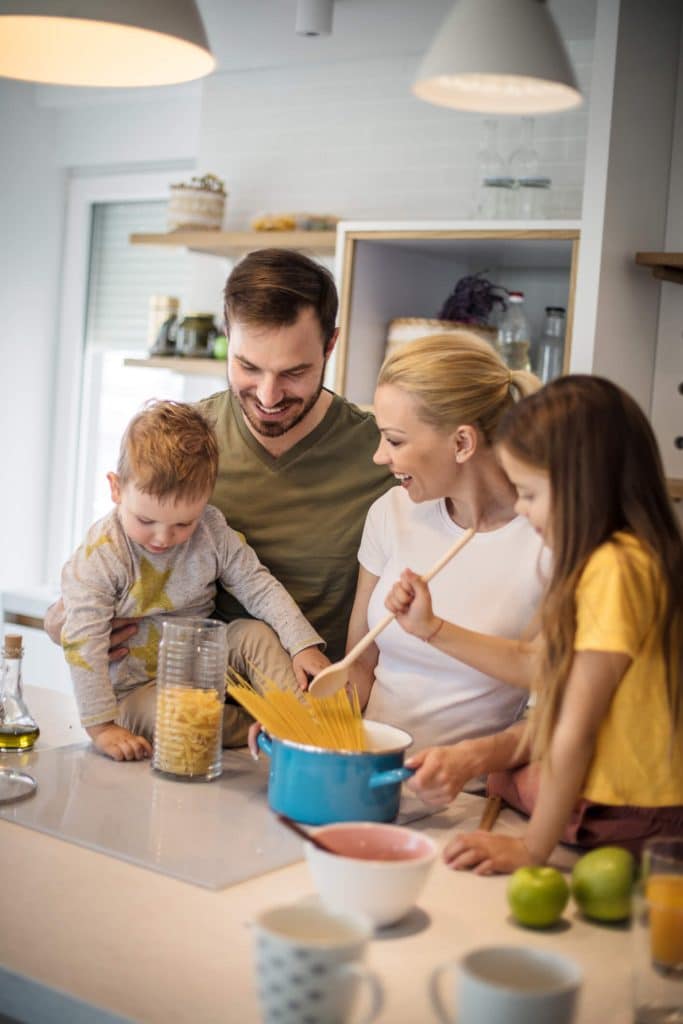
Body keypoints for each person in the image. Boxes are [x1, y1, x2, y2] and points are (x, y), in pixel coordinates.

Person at [45, 249, 394, 744]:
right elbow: (107, 564)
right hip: (177, 722)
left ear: (331, 344)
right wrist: (64, 620)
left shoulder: (383, 455)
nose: (269, 396)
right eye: (248, 366)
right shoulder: (186, 444)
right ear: (227, 337)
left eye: (293, 372)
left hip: (316, 729)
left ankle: (293, 727)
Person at [386, 375, 683, 871]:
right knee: (505, 775)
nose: (522, 509)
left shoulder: (616, 568)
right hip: (636, 802)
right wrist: (431, 627)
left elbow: (574, 728)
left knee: (510, 777)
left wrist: (530, 850)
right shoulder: (624, 558)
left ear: (581, 484)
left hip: (632, 810)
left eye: (528, 493)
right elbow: (542, 664)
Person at [60, 399, 324, 762]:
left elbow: (258, 585)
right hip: (137, 691)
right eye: (146, 520)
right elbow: (82, 642)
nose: (162, 538)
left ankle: (303, 724)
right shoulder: (102, 554)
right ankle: (259, 725)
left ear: (205, 501)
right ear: (116, 488)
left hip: (202, 660)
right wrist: (102, 727)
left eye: (183, 524)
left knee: (254, 635)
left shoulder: (212, 530)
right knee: (179, 722)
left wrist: (302, 644)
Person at [345, 331, 547, 753]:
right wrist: (302, 724)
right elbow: (359, 664)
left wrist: (433, 629)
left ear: (462, 443)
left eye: (395, 440)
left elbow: (551, 687)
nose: (379, 456)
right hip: (369, 770)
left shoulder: (548, 538)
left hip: (471, 793)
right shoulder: (391, 511)